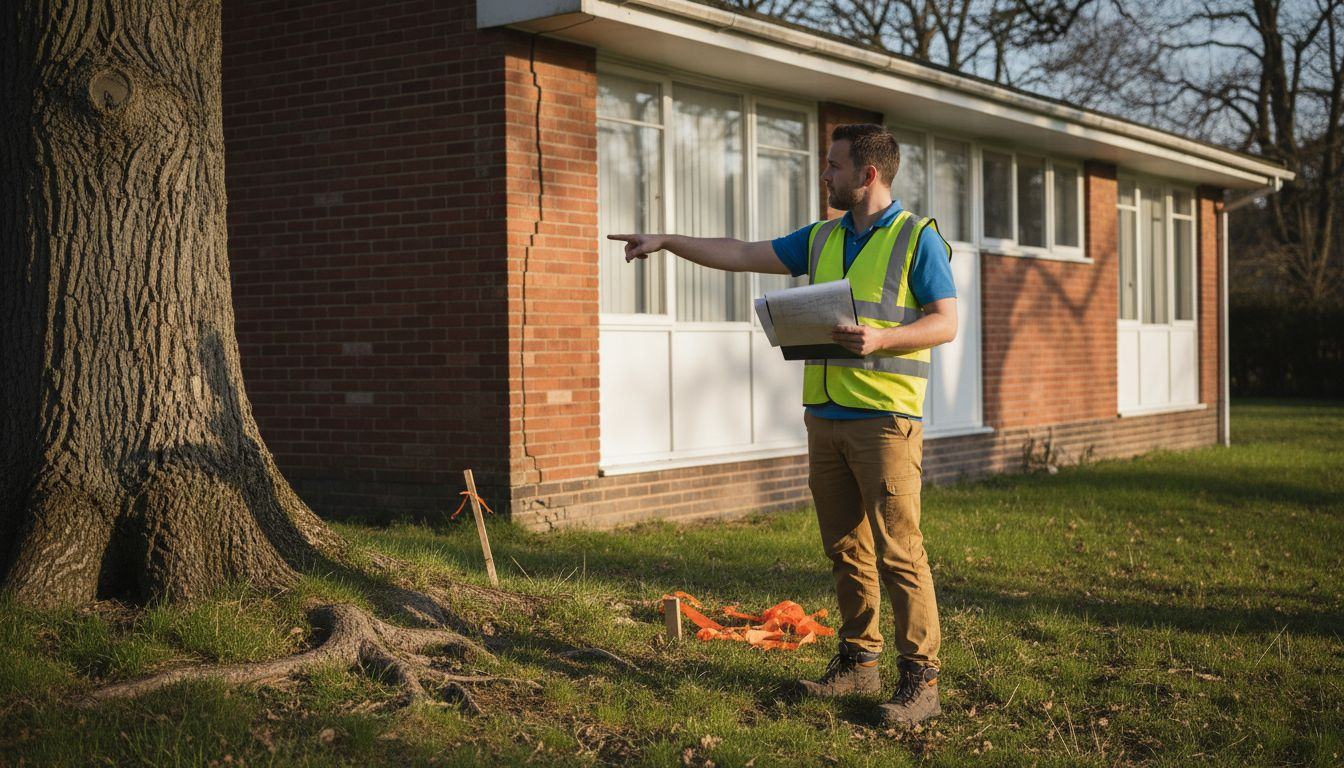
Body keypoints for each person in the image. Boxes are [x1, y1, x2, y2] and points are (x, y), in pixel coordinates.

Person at [608, 123, 956, 726]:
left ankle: (921, 680)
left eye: (833, 166)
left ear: (868, 174)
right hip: (823, 417)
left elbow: (946, 322)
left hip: (885, 420)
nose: (825, 175)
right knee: (846, 548)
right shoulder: (822, 236)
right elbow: (742, 253)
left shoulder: (916, 238)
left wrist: (885, 338)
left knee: (899, 552)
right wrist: (666, 240)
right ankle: (857, 662)